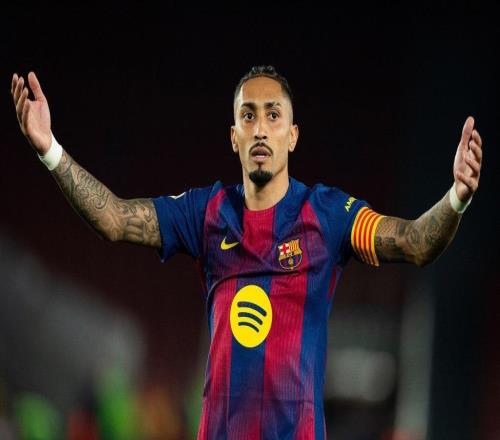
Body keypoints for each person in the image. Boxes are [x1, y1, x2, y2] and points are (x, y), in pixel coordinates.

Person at [11, 65, 483, 439]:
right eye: (249, 115)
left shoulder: (328, 214)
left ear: (292, 135)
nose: (260, 128)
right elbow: (114, 219)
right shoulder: (206, 212)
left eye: (273, 115)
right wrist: (50, 148)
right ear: (234, 135)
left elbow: (415, 243)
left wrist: (456, 197)